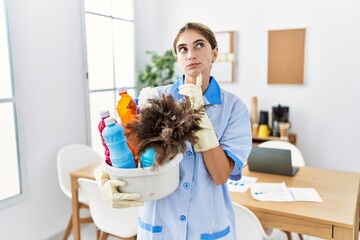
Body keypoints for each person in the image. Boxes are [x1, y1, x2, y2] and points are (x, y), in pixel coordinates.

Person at [94, 22, 252, 239]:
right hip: (159, 223)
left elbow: (220, 174)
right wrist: (102, 177)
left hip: (207, 225)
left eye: (199, 45)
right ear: (177, 57)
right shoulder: (153, 99)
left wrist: (200, 119)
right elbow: (120, 145)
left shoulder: (234, 108)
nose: (191, 54)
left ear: (214, 53)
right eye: (183, 49)